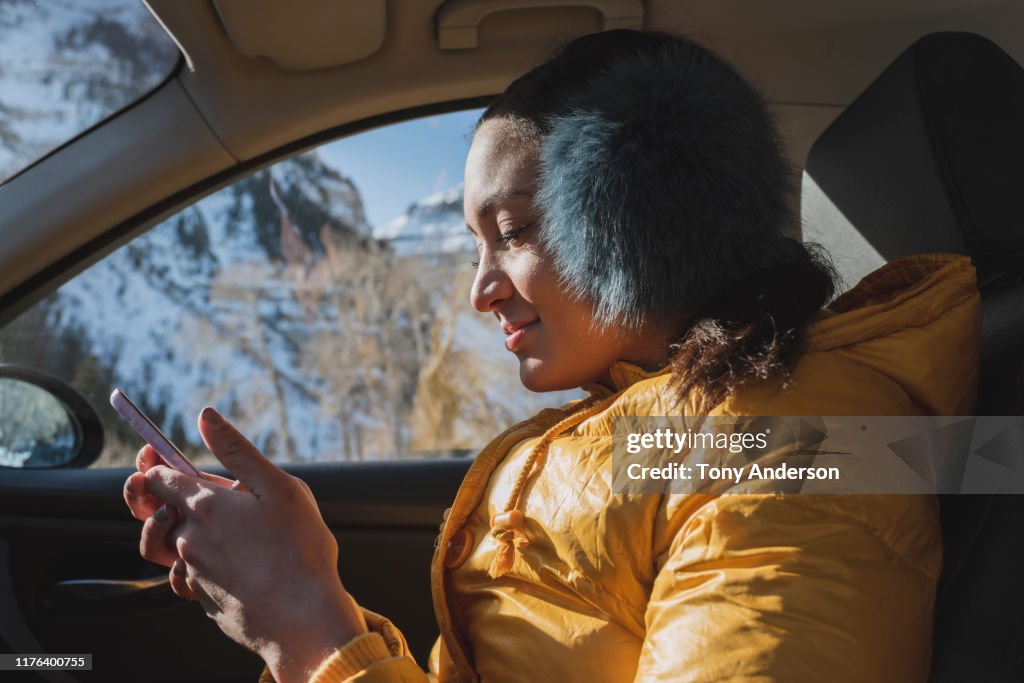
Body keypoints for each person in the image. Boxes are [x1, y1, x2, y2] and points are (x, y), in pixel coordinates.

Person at [122, 29, 980, 683]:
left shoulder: (804, 447)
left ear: (637, 214)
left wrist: (308, 630)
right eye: (473, 246)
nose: (480, 289)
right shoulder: (670, 425)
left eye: (515, 232)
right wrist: (310, 595)